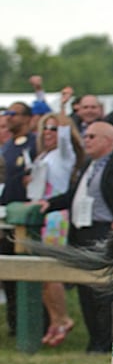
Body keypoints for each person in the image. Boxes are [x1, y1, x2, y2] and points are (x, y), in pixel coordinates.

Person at [39, 122, 113, 353]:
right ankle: (94, 341)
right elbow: (73, 196)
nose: (86, 140)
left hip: (104, 232)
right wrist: (48, 204)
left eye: (91, 136)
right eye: (86, 136)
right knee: (85, 290)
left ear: (108, 141)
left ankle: (108, 343)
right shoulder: (87, 165)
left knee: (104, 290)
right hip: (81, 232)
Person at [28, 96, 86, 347]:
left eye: (53, 128)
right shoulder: (43, 156)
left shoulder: (64, 155)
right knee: (42, 273)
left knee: (51, 270)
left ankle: (62, 317)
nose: (50, 132)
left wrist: (62, 108)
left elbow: (64, 134)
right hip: (41, 212)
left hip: (56, 216)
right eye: (45, 128)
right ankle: (54, 319)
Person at [0, 101, 37, 337]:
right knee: (10, 276)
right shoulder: (8, 147)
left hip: (27, 222)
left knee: (29, 277)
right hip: (6, 218)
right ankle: (14, 324)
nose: (8, 118)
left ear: (26, 118)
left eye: (12, 113)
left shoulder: (33, 145)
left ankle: (32, 326)